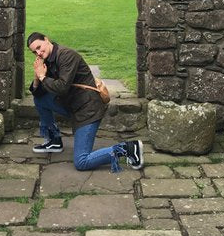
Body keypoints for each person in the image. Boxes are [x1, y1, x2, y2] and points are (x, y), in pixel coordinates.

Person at [27, 32, 142, 172]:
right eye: (35, 51)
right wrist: (37, 77)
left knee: (82, 162)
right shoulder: (47, 60)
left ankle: (128, 149)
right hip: (72, 105)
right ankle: (54, 140)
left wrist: (42, 76)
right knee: (40, 99)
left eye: (39, 47)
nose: (38, 53)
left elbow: (62, 88)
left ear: (46, 40)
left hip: (87, 110)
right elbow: (39, 93)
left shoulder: (67, 56)